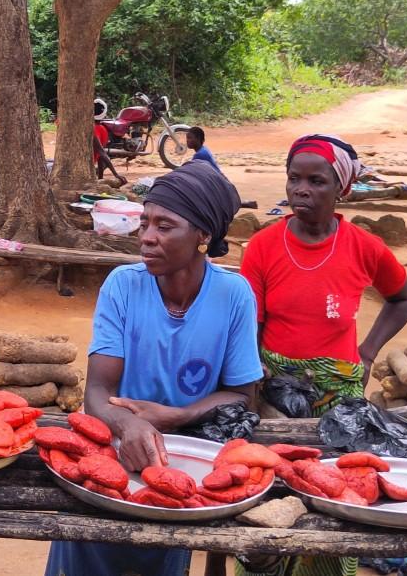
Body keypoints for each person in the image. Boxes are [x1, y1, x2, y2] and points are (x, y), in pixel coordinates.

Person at [45, 160, 263, 576]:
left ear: (203, 236)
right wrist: (128, 425)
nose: (146, 237)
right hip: (111, 454)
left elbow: (242, 394)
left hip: (181, 462)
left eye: (165, 226)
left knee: (162, 553)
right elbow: (97, 393)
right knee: (88, 548)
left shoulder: (234, 295)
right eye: (144, 222)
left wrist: (175, 416)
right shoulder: (123, 286)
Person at [240, 134, 407, 412]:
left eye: (317, 181)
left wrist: (368, 354)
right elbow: (251, 323)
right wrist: (254, 370)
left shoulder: (365, 247)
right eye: (294, 178)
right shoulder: (263, 246)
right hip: (275, 387)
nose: (301, 189)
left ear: (340, 188)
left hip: (340, 388)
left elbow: (403, 298)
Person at [93, 99, 127, 186]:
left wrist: (100, 178)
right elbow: (101, 153)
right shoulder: (99, 129)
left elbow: (100, 154)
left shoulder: (95, 128)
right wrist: (116, 174)